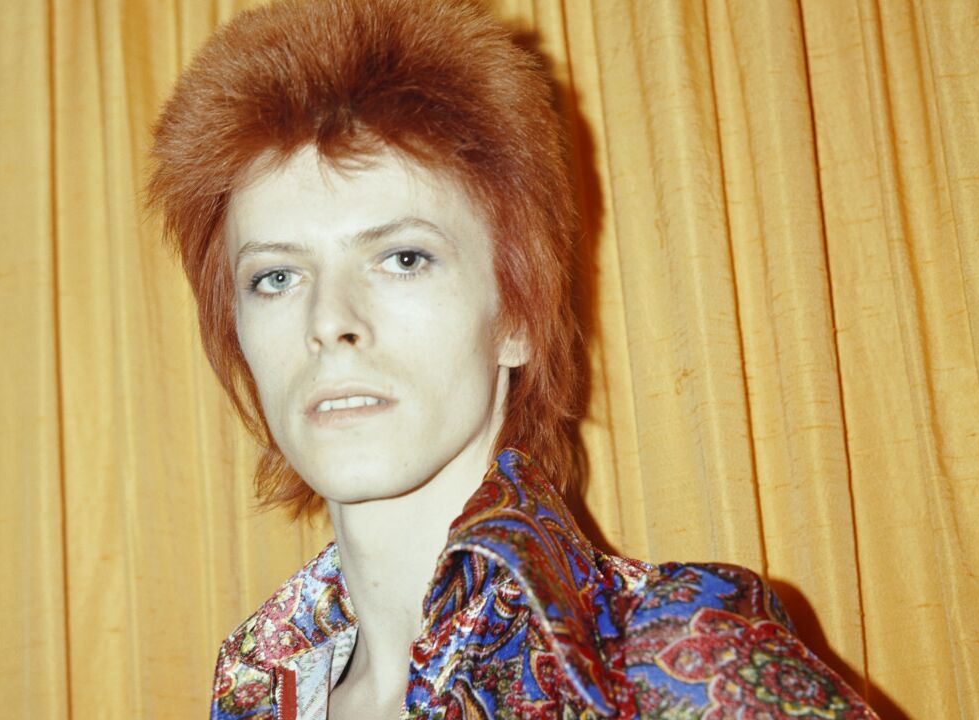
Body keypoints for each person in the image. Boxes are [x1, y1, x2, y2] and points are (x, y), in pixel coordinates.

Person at [149, 0, 876, 717]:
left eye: (404, 258)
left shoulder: (673, 663)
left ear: (518, 316)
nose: (329, 322)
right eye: (276, 277)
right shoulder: (255, 692)